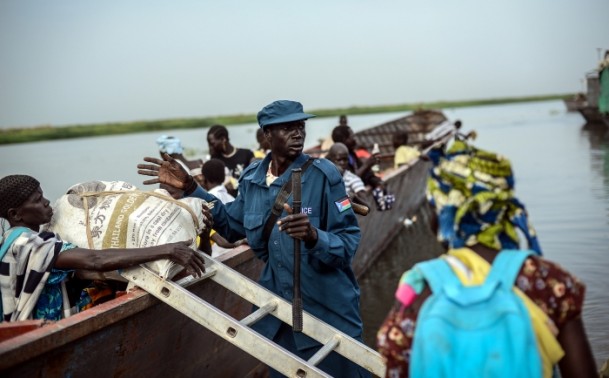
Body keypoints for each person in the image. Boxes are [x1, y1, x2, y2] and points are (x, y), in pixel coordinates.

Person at [138, 100, 369, 378]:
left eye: (301, 126)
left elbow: (347, 244)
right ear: (267, 135)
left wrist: (313, 236)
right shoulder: (252, 179)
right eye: (288, 128)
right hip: (280, 313)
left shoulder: (324, 176)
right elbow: (231, 225)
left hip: (326, 309)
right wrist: (191, 188)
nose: (298, 133)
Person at [376, 141, 597, 377]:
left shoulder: (416, 289)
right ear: (504, 210)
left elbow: (395, 364)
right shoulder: (548, 281)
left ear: (440, 217)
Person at [0, 175, 206, 322]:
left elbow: (75, 272)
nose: (46, 202)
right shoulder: (24, 243)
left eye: (43, 196)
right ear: (16, 215)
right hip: (31, 334)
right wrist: (166, 250)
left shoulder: (24, 239)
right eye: (37, 200)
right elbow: (95, 259)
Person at [206, 124, 255, 197]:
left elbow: (254, 178)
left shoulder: (246, 154)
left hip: (246, 197)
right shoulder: (214, 159)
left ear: (223, 139)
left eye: (212, 144)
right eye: (209, 144)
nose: (210, 147)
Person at [326, 142, 371, 209]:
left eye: (345, 159)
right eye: (339, 160)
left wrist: (354, 198)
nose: (342, 163)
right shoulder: (324, 177)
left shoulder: (352, 179)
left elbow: (367, 207)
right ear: (330, 160)